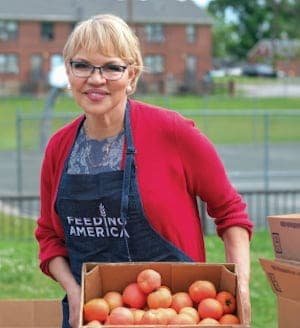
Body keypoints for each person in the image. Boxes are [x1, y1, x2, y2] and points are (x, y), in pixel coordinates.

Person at [35, 14, 253, 328]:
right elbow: (49, 235)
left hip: (177, 315)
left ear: (132, 75)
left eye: (111, 67)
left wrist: (240, 287)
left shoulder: (172, 132)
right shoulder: (60, 148)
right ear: (68, 72)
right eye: (82, 65)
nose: (96, 79)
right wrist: (73, 290)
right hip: (95, 318)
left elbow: (230, 212)